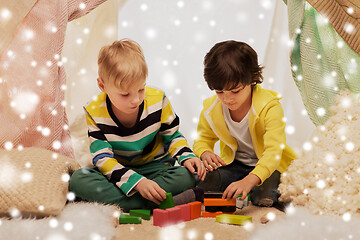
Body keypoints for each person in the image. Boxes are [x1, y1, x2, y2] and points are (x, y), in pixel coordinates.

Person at [69, 39, 205, 211]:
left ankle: (125, 203)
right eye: (125, 94)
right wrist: (137, 183)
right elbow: (102, 159)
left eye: (141, 89)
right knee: (78, 179)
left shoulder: (158, 100)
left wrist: (187, 156)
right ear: (102, 86)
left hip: (156, 169)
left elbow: (173, 137)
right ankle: (157, 202)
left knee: (187, 175)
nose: (135, 99)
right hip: (118, 174)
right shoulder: (94, 111)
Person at [193, 40, 296, 207]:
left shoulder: (270, 107)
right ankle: (242, 189)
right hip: (236, 166)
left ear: (253, 78)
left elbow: (273, 152)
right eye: (220, 92)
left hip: (269, 167)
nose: (227, 99)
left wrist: (249, 181)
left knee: (263, 198)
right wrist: (205, 153)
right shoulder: (211, 108)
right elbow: (202, 139)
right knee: (204, 182)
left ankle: (256, 191)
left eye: (235, 91)